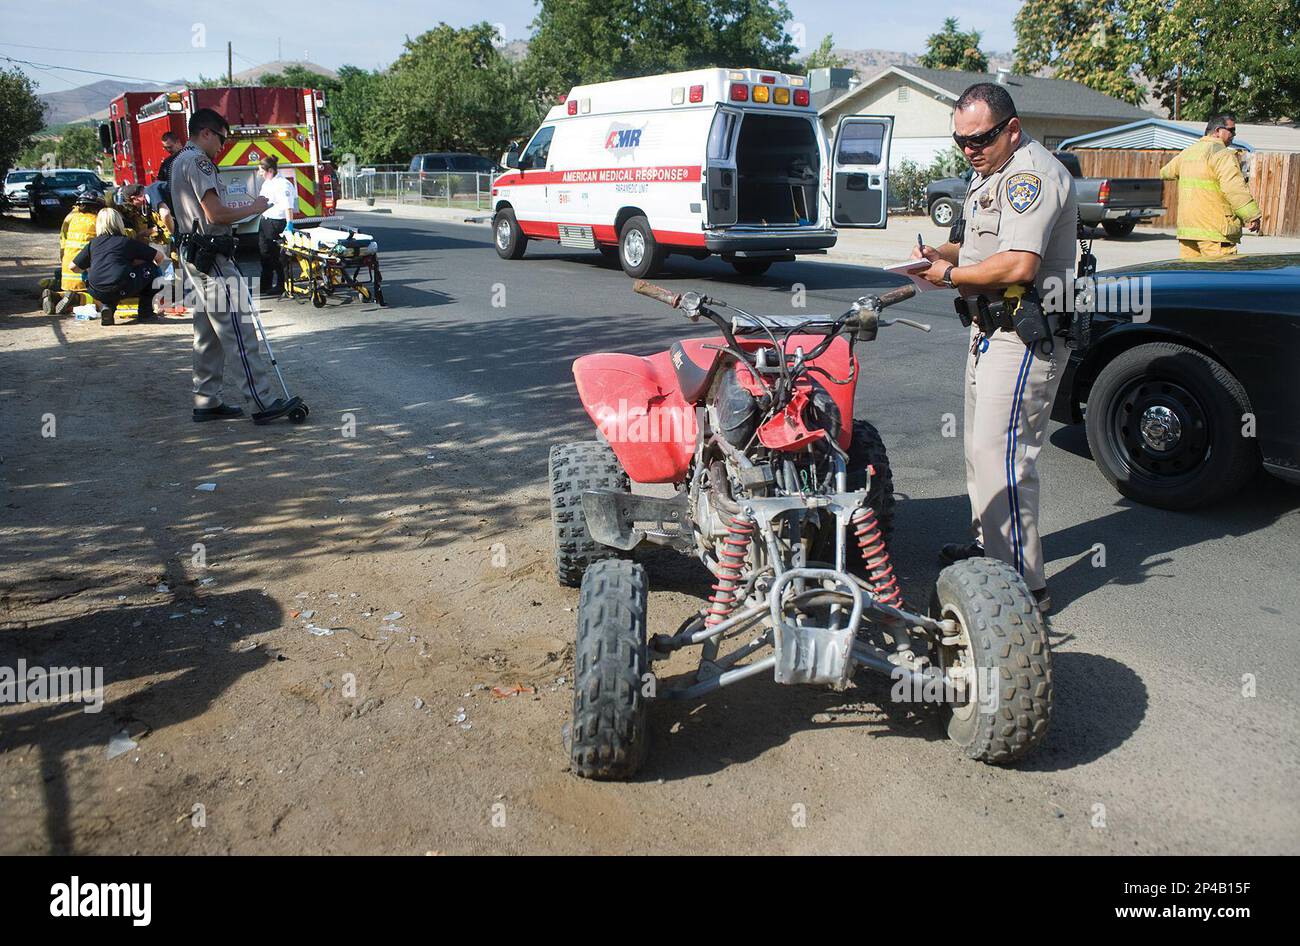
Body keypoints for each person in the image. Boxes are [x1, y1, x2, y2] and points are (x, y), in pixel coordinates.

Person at [912, 82, 1078, 613]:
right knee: (980, 453)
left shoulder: (1033, 175)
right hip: (989, 330)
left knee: (1005, 459)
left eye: (979, 138)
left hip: (1025, 334)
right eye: (960, 140)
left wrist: (950, 273)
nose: (968, 150)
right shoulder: (989, 174)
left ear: (1011, 128)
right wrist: (941, 251)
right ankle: (990, 554)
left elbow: (1019, 263)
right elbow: (982, 243)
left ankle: (1021, 588)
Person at [170, 106, 298, 424]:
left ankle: (206, 399)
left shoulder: (178, 161)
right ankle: (263, 401)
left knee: (208, 333)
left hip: (195, 255)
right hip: (211, 256)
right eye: (222, 140)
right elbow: (215, 215)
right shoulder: (199, 161)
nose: (222, 147)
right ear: (206, 133)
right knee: (240, 330)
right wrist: (254, 207)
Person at [1160, 114, 1261, 259]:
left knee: (1192, 278)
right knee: (1220, 279)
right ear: (1218, 131)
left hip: (1188, 231)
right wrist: (1251, 215)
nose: (1234, 134)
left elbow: (1165, 172)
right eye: (1231, 130)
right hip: (1215, 233)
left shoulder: (1188, 152)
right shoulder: (1222, 155)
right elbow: (1234, 188)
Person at [67, 207, 165, 326]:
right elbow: (159, 257)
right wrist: (135, 265)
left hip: (96, 290)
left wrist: (90, 268)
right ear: (119, 222)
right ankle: (146, 313)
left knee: (94, 274)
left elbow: (73, 267)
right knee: (153, 269)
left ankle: (108, 307)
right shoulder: (127, 242)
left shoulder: (93, 244)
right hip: (122, 287)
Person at [48, 185, 104, 315]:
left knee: (71, 292)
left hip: (67, 270)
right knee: (100, 298)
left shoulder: (70, 218)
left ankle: (55, 296)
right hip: (84, 273)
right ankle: (77, 299)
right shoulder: (98, 221)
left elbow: (62, 240)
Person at [256, 155, 295, 296]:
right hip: (265, 221)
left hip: (276, 223)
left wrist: (289, 224)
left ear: (270, 170)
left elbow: (288, 206)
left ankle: (282, 285)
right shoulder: (267, 183)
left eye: (261, 170)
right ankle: (265, 285)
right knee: (264, 253)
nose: (260, 173)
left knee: (278, 257)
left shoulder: (282, 184)